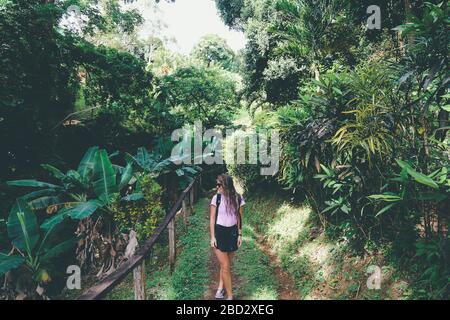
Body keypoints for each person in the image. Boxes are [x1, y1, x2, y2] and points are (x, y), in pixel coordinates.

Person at [210, 174, 245, 300]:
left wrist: (240, 234)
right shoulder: (216, 198)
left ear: (226, 185)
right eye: (217, 184)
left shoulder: (238, 199)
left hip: (232, 233)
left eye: (219, 184)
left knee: (226, 264)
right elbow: (212, 218)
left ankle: (220, 288)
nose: (217, 187)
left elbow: (239, 218)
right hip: (219, 232)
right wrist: (212, 237)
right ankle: (230, 297)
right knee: (225, 265)